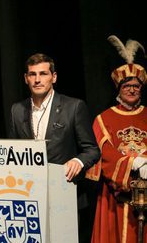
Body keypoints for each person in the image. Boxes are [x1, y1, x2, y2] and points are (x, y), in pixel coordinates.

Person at [8, 53, 101, 243]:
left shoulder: (73, 107)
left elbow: (92, 150)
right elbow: (13, 151)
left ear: (54, 77)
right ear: (26, 79)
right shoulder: (17, 110)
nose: (37, 80)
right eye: (32, 75)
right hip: (29, 198)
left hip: (65, 195)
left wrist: (78, 161)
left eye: (43, 74)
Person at [86, 35, 147, 243]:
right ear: (119, 88)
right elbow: (103, 153)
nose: (131, 89)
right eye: (126, 86)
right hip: (117, 199)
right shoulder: (104, 118)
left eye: (136, 86)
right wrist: (134, 163)